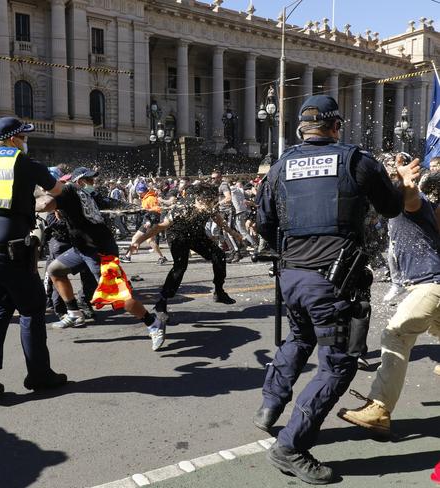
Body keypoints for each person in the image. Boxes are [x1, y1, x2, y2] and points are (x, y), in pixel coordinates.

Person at [252, 95, 416, 484]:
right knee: (338, 364)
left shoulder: (279, 166)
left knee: (299, 336)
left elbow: (263, 224)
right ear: (336, 126)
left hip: (292, 275)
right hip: (334, 279)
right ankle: (291, 446)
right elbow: (392, 208)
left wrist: (294, 251)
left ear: (302, 129)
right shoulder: (355, 161)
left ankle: (270, 406)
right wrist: (404, 183)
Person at [337, 155, 440, 436]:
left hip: (430, 285)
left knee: (395, 335)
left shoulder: (411, 207)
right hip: (433, 285)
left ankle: (379, 408)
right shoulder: (428, 210)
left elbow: (408, 198)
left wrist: (405, 182)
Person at [0, 117, 67, 394]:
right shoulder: (20, 161)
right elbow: (56, 189)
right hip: (8, 249)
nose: (25, 142)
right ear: (12, 139)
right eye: (23, 137)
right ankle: (39, 374)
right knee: (32, 308)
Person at [36, 167, 167, 351]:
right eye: (89, 180)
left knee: (120, 297)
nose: (93, 184)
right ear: (79, 181)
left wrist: (143, 210)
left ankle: (153, 322)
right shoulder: (72, 191)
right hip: (82, 249)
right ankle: (74, 312)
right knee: (55, 270)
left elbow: (43, 206)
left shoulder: (73, 192)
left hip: (100, 252)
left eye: (92, 180)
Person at [130, 185, 238, 320]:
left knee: (219, 255)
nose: (209, 207)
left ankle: (219, 291)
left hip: (196, 233)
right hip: (177, 234)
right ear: (198, 199)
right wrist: (139, 241)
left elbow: (220, 221)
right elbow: (161, 226)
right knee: (180, 267)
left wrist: (234, 234)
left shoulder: (209, 204)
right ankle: (161, 303)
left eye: (212, 202)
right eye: (206, 203)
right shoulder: (182, 208)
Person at [121, 181, 167, 265]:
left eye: (140, 192)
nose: (139, 194)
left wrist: (150, 221)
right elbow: (147, 211)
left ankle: (161, 257)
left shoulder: (151, 198)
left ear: (145, 191)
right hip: (147, 222)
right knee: (138, 238)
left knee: (149, 240)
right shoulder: (145, 198)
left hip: (150, 222)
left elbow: (157, 211)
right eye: (138, 192)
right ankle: (128, 256)